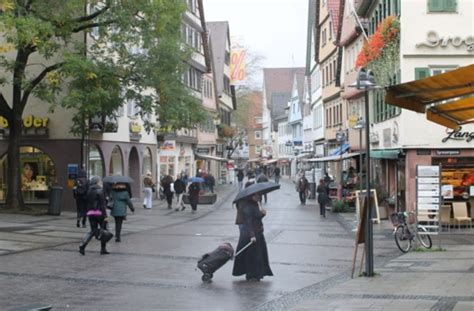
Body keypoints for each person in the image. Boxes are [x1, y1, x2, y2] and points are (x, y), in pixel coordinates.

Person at [232, 193, 273, 282]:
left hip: (258, 233)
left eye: (259, 196)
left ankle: (256, 274)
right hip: (251, 235)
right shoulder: (248, 207)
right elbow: (249, 223)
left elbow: (257, 218)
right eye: (256, 196)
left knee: (258, 255)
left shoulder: (255, 204)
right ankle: (251, 275)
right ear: (251, 196)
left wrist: (262, 214)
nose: (258, 197)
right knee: (252, 256)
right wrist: (252, 236)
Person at [79, 176, 110, 255]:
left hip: (91, 213)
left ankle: (83, 245)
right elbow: (102, 205)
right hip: (99, 213)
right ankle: (103, 249)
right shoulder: (100, 190)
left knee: (93, 230)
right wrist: (105, 216)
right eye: (100, 181)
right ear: (97, 182)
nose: (101, 183)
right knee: (104, 230)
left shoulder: (89, 190)